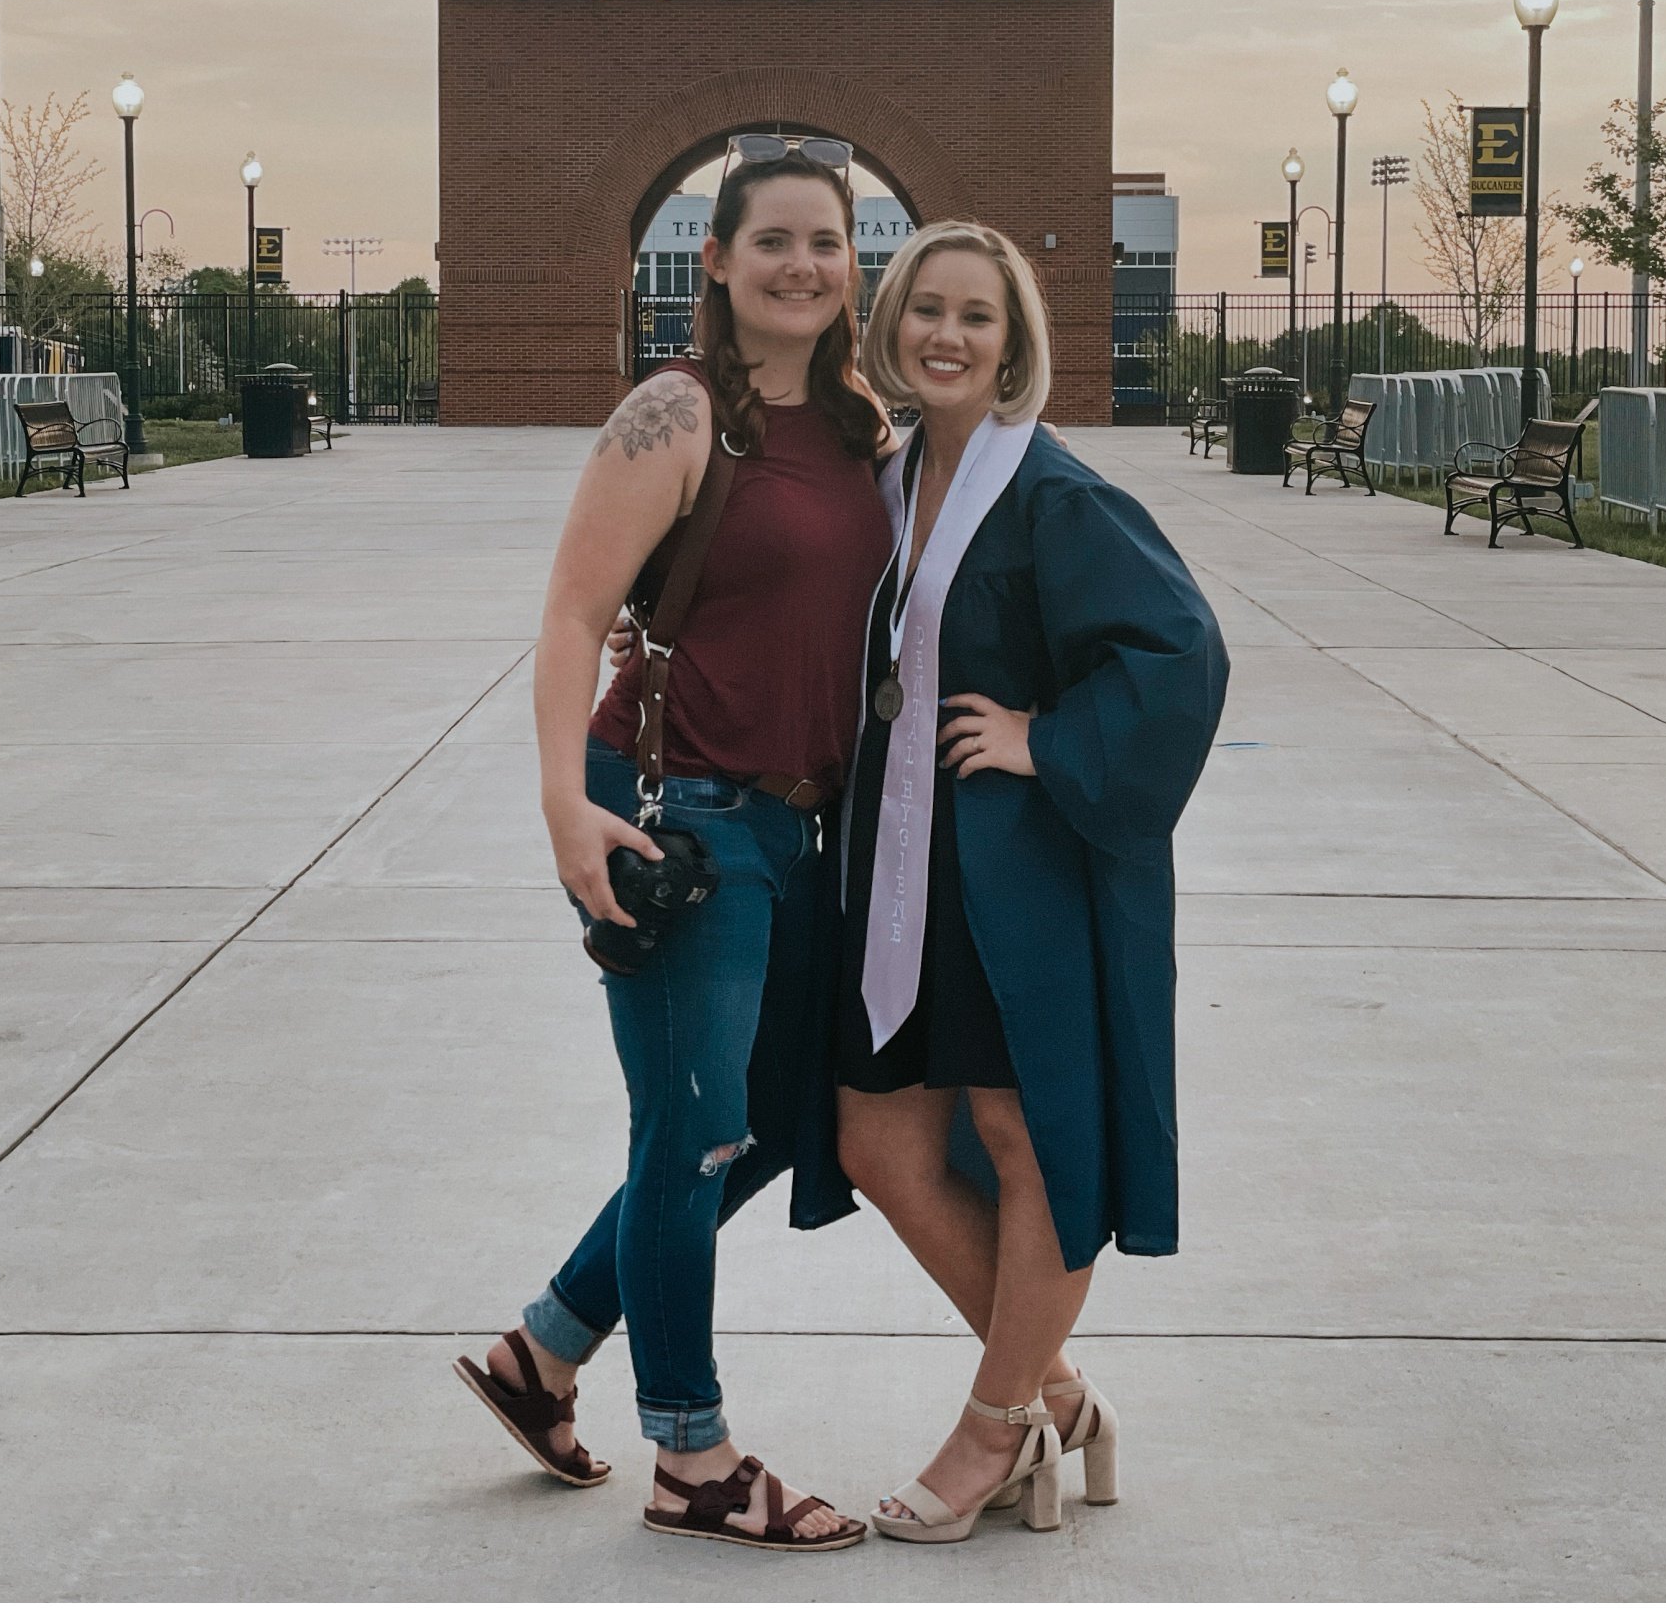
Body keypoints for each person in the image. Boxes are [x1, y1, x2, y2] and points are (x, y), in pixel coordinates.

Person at [455, 136, 892, 1553]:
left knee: (757, 1119)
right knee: (692, 1130)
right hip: (670, 807)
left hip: (799, 820)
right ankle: (692, 1455)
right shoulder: (676, 412)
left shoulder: (862, 426)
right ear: (716, 261)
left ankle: (545, 1348)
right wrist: (555, 798)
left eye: (826, 240)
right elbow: (572, 614)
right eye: (772, 240)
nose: (803, 264)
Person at [823, 220, 1229, 1543]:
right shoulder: (891, 482)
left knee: (1022, 1135)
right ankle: (1056, 1393)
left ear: (1012, 348)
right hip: (907, 868)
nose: (946, 334)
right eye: (926, 310)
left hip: (1021, 872)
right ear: (894, 327)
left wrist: (1043, 740)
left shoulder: (1049, 492)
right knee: (878, 1137)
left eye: (976, 318)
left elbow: (1180, 648)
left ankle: (996, 1430)